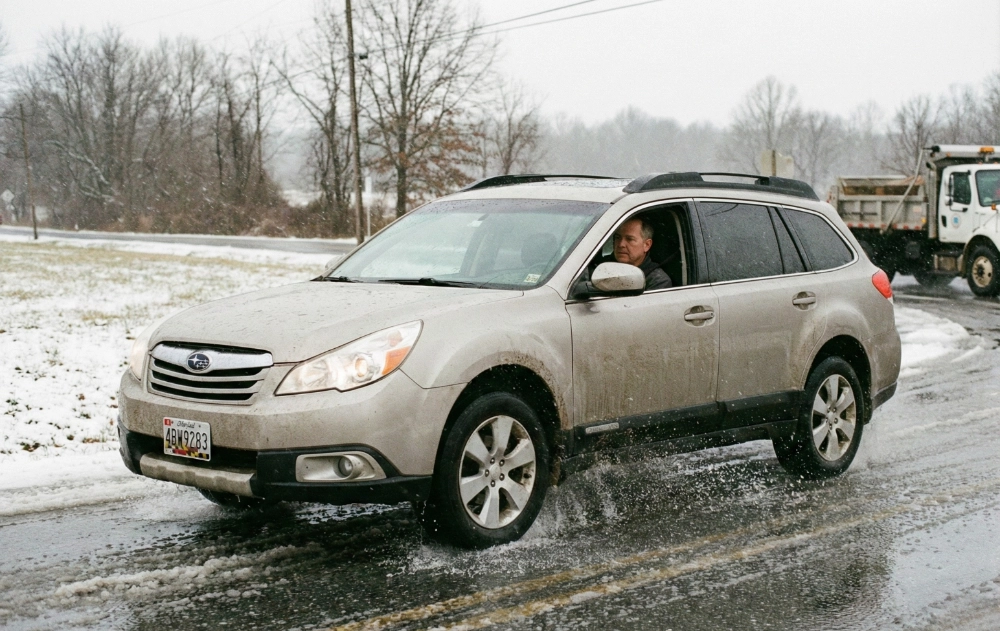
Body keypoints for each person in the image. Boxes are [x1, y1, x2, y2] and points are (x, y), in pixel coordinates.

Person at [611, 217, 672, 290]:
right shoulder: (600, 266)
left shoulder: (657, 280)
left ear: (646, 245)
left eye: (630, 239)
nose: (621, 244)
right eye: (617, 237)